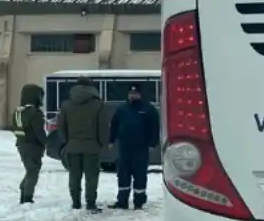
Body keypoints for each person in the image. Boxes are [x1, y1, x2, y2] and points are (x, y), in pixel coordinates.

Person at [56, 76, 109, 213]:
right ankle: (90, 203)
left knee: (74, 175)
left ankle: (76, 202)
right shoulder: (98, 105)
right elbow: (102, 126)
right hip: (92, 147)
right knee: (91, 177)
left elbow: (61, 127)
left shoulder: (66, 105)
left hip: (72, 146)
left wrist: (67, 141)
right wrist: (103, 142)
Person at [108, 84, 160, 210]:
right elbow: (114, 125)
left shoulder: (148, 109)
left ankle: (139, 201)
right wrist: (111, 140)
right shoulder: (122, 109)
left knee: (140, 175)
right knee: (123, 175)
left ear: (140, 95)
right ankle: (122, 201)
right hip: (124, 148)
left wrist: (153, 143)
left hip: (141, 148)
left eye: (135, 94)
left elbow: (155, 127)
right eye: (131, 94)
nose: (132, 96)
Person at [11, 83, 48, 204]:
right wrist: (46, 143)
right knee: (33, 171)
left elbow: (14, 128)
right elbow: (39, 131)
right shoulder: (35, 113)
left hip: (21, 144)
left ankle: (24, 191)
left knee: (30, 169)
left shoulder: (18, 111)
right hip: (33, 146)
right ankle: (27, 197)